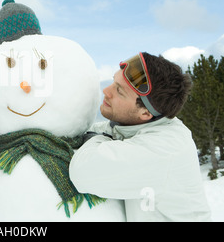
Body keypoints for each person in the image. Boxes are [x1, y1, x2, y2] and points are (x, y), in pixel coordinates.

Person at [69, 52, 211, 221]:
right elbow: (103, 130)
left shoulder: (165, 148)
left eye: (119, 91)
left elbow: (83, 173)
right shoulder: (139, 125)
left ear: (145, 112)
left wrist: (95, 139)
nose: (106, 91)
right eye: (114, 82)